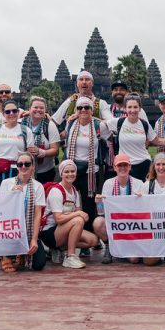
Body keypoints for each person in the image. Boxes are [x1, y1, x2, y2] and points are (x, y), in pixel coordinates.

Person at [62, 96, 110, 233]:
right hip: (71, 170)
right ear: (76, 110)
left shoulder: (98, 125)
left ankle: (88, 235)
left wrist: (102, 120)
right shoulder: (70, 124)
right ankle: (70, 234)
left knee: (88, 205)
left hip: (90, 170)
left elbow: (111, 134)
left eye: (87, 107)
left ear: (92, 109)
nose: (83, 110)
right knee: (68, 203)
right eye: (80, 108)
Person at [43, 160, 99, 269]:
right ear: (61, 174)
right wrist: (78, 213)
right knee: (78, 220)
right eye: (66, 172)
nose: (70, 174)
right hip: (49, 231)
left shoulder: (74, 191)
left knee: (93, 240)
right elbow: (58, 219)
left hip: (64, 228)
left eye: (73, 171)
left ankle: (59, 250)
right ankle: (70, 257)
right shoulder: (56, 191)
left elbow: (78, 214)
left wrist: (81, 214)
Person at [0, 152, 46, 272]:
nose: (23, 167)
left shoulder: (38, 186)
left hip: (29, 231)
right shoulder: (6, 183)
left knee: (39, 264)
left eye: (27, 164)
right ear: (17, 166)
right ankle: (9, 254)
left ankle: (22, 253)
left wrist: (34, 239)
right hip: (11, 231)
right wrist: (10, 194)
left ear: (33, 166)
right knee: (10, 264)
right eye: (20, 164)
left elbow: (37, 214)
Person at [94, 153, 143, 264]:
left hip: (133, 225)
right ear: (114, 167)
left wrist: (141, 199)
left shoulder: (139, 183)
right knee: (98, 223)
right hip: (115, 223)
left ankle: (124, 248)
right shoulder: (108, 183)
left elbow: (145, 209)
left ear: (130, 167)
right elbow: (101, 212)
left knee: (134, 260)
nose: (122, 168)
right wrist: (99, 203)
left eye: (125, 165)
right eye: (119, 165)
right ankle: (109, 247)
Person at [106, 95, 165, 181]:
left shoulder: (145, 124)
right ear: (125, 109)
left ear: (140, 109)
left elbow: (157, 141)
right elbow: (101, 123)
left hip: (144, 164)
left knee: (143, 192)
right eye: (129, 107)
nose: (132, 110)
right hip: (125, 165)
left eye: (135, 107)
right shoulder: (118, 122)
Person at [0, 100, 33, 193]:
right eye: (7, 112)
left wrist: (30, 178)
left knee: (16, 201)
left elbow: (30, 158)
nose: (11, 114)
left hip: (18, 172)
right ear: (3, 114)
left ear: (18, 112)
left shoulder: (26, 131)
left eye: (14, 111)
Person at [20, 96, 59, 183]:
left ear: (45, 110)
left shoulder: (49, 125)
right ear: (29, 109)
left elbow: (56, 150)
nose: (38, 110)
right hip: (23, 170)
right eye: (35, 107)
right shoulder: (21, 123)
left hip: (45, 172)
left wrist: (41, 152)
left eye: (42, 108)